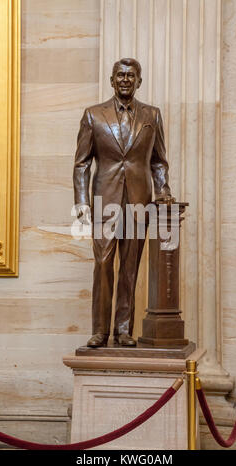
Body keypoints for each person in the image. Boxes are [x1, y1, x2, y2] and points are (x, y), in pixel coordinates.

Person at [73, 58, 171, 348]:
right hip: (105, 199)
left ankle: (123, 330)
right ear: (112, 80)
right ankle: (100, 330)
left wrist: (163, 189)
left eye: (131, 75)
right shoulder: (93, 115)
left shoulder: (152, 115)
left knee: (130, 267)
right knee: (103, 264)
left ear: (139, 81)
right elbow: (81, 164)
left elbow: (159, 161)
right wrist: (81, 202)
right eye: (120, 75)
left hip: (139, 201)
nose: (125, 80)